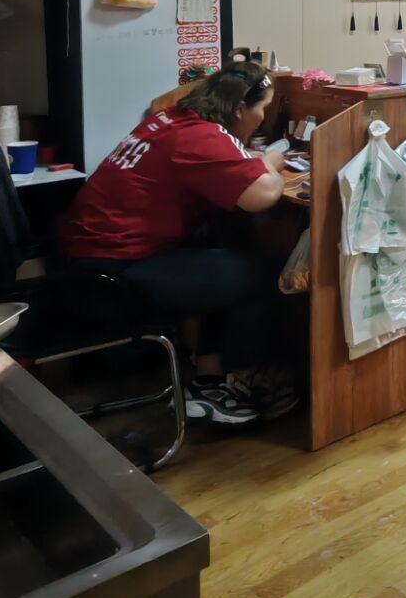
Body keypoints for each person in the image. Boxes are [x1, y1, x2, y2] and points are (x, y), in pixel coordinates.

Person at [56, 63, 296, 427]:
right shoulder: (200, 137)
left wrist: (250, 162)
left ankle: (210, 376)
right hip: (113, 269)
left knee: (221, 250)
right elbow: (262, 196)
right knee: (263, 273)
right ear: (239, 109)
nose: (264, 118)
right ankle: (240, 385)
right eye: (263, 108)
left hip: (86, 255)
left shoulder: (170, 119)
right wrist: (269, 162)